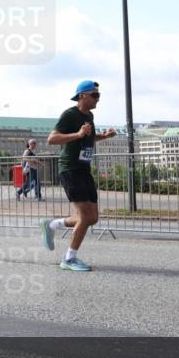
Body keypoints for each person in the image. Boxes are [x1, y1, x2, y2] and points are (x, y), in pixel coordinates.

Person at [39, 80, 117, 271]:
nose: (98, 99)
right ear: (82, 95)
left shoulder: (89, 115)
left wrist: (103, 137)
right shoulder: (69, 114)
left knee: (92, 218)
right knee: (84, 216)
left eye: (99, 95)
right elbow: (52, 139)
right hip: (70, 169)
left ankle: (51, 225)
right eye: (95, 95)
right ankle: (69, 259)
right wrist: (78, 133)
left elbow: (87, 137)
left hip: (84, 170)